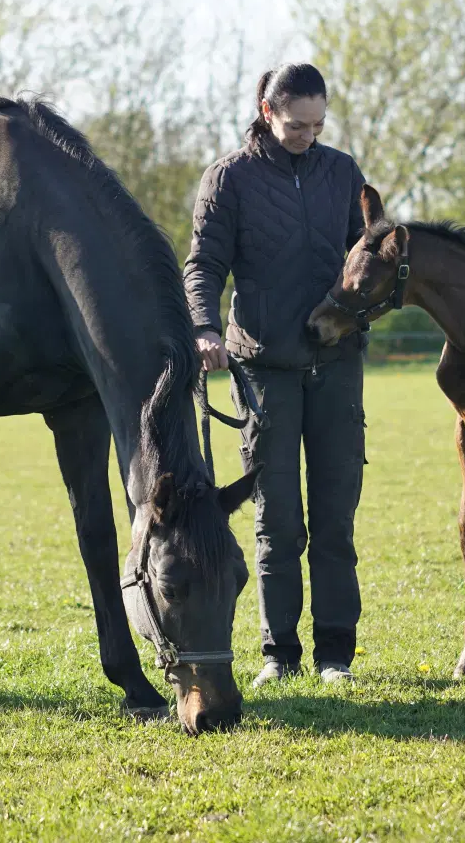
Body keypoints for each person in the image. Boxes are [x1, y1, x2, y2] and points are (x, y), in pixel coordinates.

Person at [184, 62, 368, 687]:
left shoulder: (342, 173)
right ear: (268, 112)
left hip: (338, 366)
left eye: (318, 125)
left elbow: (364, 257)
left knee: (336, 517)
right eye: (296, 124)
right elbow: (203, 264)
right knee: (278, 518)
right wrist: (205, 327)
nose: (308, 135)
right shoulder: (228, 180)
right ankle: (279, 654)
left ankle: (336, 654)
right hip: (264, 367)